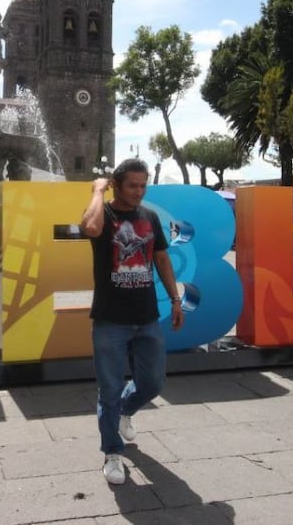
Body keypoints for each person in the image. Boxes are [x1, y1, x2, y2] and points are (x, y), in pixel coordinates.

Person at [80, 158, 184, 485]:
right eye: (132, 186)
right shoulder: (105, 215)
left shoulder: (149, 216)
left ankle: (126, 410)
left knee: (153, 382)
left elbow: (162, 258)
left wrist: (176, 298)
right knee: (108, 390)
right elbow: (90, 228)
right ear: (117, 183)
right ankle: (112, 451)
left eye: (143, 185)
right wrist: (98, 190)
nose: (139, 192)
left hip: (146, 316)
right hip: (110, 319)